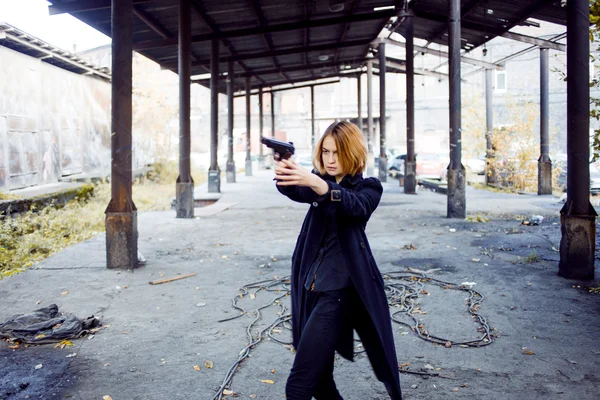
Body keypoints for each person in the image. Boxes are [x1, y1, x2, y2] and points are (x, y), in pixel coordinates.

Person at [273, 121, 402, 400]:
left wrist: (319, 184)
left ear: (352, 152)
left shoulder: (369, 187)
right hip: (311, 288)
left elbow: (355, 206)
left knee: (298, 387)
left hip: (339, 293)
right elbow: (294, 190)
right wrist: (285, 170)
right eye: (326, 152)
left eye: (337, 153)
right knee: (320, 382)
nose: (330, 160)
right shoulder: (321, 180)